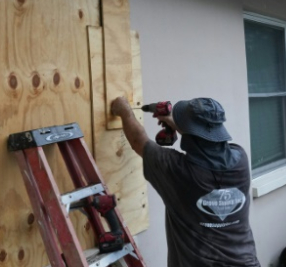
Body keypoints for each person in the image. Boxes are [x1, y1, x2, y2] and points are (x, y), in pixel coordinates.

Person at [111, 96, 261, 267]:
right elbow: (208, 143)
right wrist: (180, 125)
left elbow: (139, 141)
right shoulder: (240, 160)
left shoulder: (177, 171)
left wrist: (124, 111)